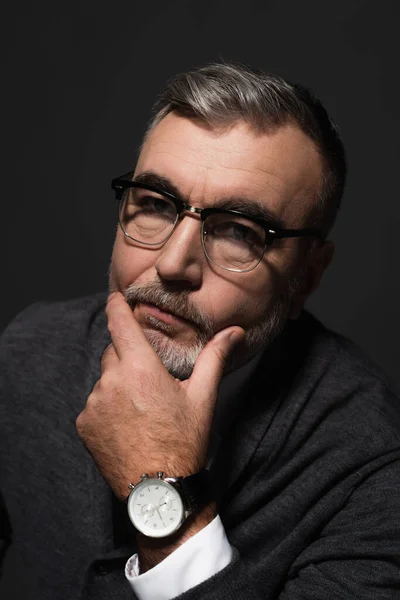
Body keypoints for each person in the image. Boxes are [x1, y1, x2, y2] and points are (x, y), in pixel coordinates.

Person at [1, 63, 399, 600]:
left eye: (239, 232)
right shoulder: (27, 352)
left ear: (307, 276)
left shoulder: (374, 465)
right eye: (156, 204)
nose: (171, 264)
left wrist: (162, 487)